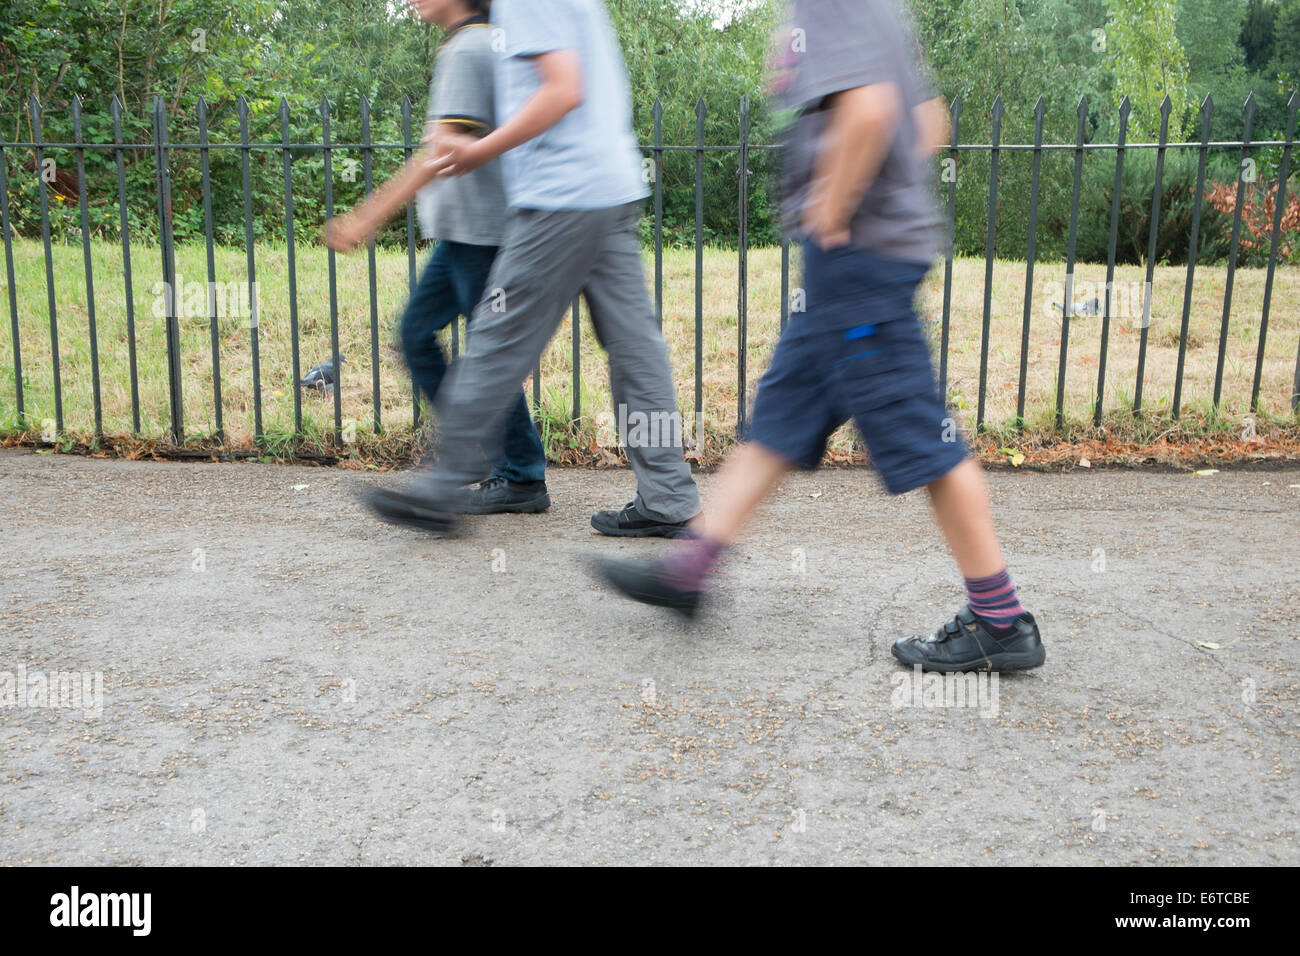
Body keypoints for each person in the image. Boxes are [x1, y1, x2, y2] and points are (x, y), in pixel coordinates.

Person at [593, 0, 1045, 673]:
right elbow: (929, 120)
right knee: (780, 418)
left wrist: (833, 208)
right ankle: (690, 571)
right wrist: (883, 195)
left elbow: (869, 112)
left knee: (923, 433)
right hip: (860, 260)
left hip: (857, 260)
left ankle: (1000, 619)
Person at [364, 0, 701, 539]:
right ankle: (668, 495)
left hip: (561, 195)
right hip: (611, 187)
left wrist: (481, 152)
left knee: (497, 338)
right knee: (637, 348)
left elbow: (563, 89)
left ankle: (442, 485)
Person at [327, 0, 550, 515]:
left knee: (486, 356)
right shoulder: (470, 44)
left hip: (482, 233)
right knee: (416, 333)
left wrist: (367, 216)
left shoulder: (470, 48)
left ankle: (520, 474)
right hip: (463, 232)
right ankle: (475, 452)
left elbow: (440, 153)